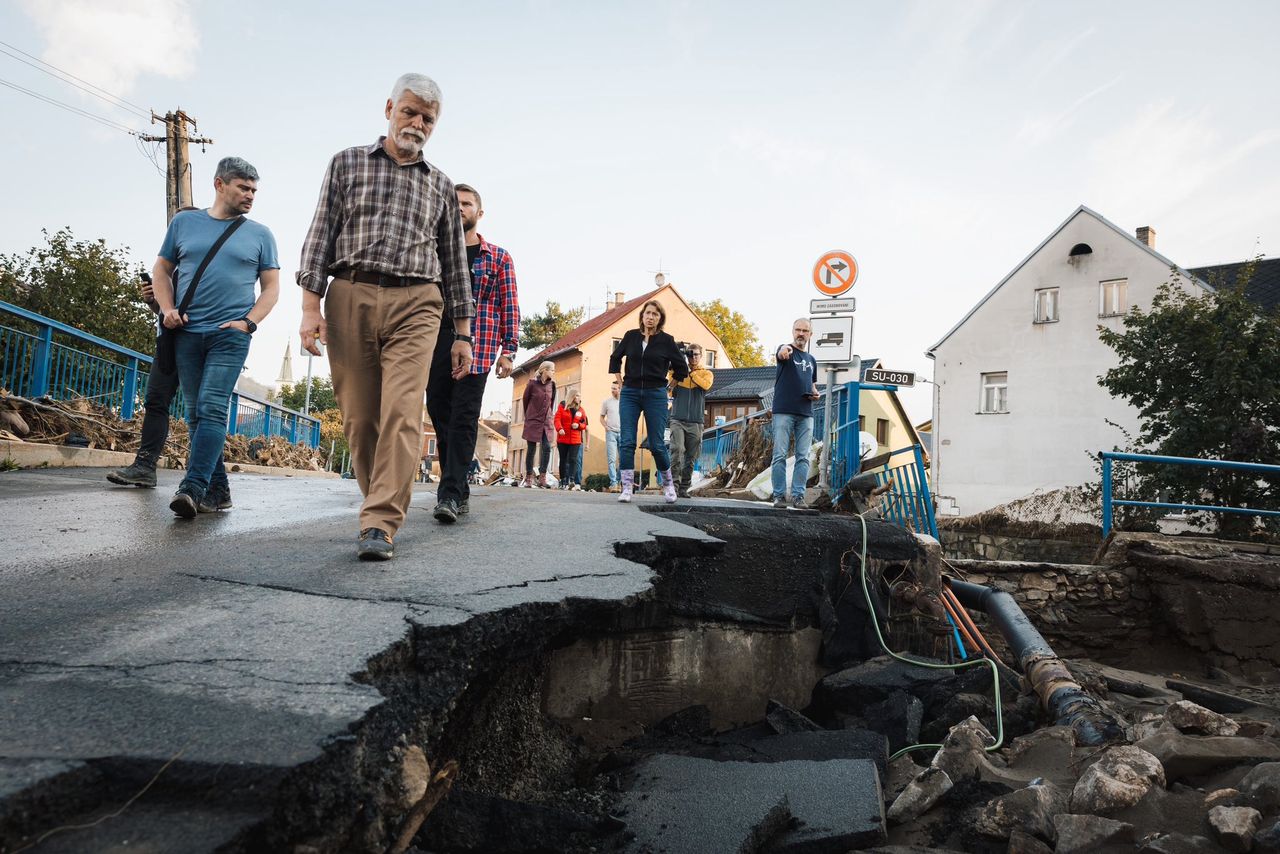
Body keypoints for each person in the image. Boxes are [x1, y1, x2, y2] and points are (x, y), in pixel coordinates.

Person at [297, 73, 475, 561]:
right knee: (358, 419)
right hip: (350, 292)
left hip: (418, 303)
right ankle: (378, 496)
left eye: (428, 119)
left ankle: (379, 522)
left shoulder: (439, 184)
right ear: (389, 108)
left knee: (402, 411)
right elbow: (320, 233)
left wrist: (462, 334)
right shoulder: (346, 163)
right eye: (410, 112)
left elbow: (455, 263)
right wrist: (311, 306)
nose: (417, 123)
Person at [151, 158, 279, 518]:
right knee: (195, 413)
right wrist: (167, 308)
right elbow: (161, 270)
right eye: (243, 187)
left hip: (230, 336)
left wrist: (248, 323)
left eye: (254, 189)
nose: (250, 195)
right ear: (220, 184)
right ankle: (219, 490)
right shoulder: (184, 223)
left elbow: (271, 288)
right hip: (187, 332)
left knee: (210, 408)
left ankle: (191, 488)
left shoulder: (260, 234)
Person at [425, 183, 520, 524]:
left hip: (479, 345)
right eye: (454, 203)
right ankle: (459, 486)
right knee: (439, 413)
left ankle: (449, 494)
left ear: (479, 214)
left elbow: (509, 305)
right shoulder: (432, 252)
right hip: (434, 341)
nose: (459, 208)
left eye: (466, 204)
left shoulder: (498, 257)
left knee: (464, 418)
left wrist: (508, 351)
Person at [107, 208, 206, 493]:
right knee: (155, 401)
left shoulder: (201, 260)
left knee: (201, 413)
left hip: (195, 344)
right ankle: (145, 466)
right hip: (168, 344)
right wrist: (155, 303)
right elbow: (166, 312)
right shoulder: (167, 264)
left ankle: (207, 479)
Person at [609, 299, 688, 504]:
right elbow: (615, 358)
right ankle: (626, 487)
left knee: (657, 444)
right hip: (630, 393)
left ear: (660, 318)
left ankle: (669, 485)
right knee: (626, 441)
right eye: (647, 313)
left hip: (655, 394)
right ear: (642, 316)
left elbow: (682, 368)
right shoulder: (630, 336)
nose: (650, 317)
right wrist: (620, 382)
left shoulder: (667, 341)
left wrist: (669, 387)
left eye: (655, 314)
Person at [771, 318, 820, 509]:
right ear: (792, 331)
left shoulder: (811, 360)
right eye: (798, 330)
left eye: (805, 331)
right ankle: (779, 496)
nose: (801, 333)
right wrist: (784, 350)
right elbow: (782, 352)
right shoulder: (786, 351)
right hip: (783, 410)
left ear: (810, 334)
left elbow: (813, 385)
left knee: (804, 456)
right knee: (780, 454)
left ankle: (798, 496)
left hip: (806, 412)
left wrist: (815, 394)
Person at [668, 343, 713, 498]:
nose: (693, 357)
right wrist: (679, 368)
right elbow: (670, 388)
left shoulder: (706, 374)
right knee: (677, 450)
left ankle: (684, 488)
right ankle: (673, 487)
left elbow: (706, 385)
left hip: (696, 421)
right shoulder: (678, 372)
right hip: (677, 419)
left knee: (691, 457)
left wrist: (692, 373)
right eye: (690, 354)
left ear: (701, 356)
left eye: (696, 354)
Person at [521, 361, 556, 487]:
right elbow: (525, 401)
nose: (554, 372)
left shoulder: (552, 385)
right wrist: (529, 416)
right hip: (533, 420)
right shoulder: (532, 384)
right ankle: (529, 477)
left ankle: (542, 477)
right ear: (545, 370)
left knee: (546, 447)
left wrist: (549, 416)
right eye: (552, 370)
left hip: (546, 422)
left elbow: (551, 403)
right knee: (531, 449)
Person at [555, 390, 588, 490]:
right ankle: (562, 481)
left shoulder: (581, 410)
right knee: (563, 460)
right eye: (577, 396)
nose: (579, 398)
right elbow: (557, 419)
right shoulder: (562, 407)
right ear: (572, 396)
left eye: (580, 396)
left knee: (573, 459)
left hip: (575, 439)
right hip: (563, 438)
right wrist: (559, 429)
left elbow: (584, 424)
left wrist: (578, 425)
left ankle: (571, 480)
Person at [600, 379, 621, 491]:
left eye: (614, 388)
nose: (612, 390)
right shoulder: (606, 402)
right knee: (612, 459)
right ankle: (613, 483)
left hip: (623, 433)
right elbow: (601, 417)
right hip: (611, 433)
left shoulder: (626, 402)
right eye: (611, 388)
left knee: (623, 460)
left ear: (620, 389)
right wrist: (605, 427)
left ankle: (619, 482)